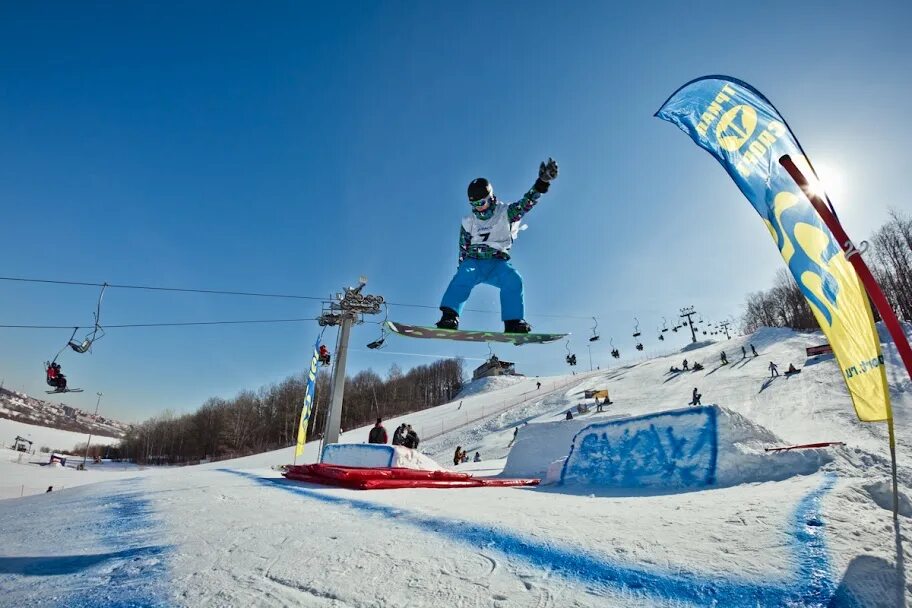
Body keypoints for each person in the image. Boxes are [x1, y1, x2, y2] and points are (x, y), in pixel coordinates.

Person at [436, 159, 559, 334]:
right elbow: (463, 247)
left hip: (497, 263)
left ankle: (513, 322)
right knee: (463, 276)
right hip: (474, 262)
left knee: (514, 280)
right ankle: (449, 317)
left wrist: (541, 183)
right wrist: (462, 267)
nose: (479, 208)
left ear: (491, 197)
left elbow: (525, 204)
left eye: (482, 203)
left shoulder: (505, 212)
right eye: (474, 205)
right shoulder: (468, 221)